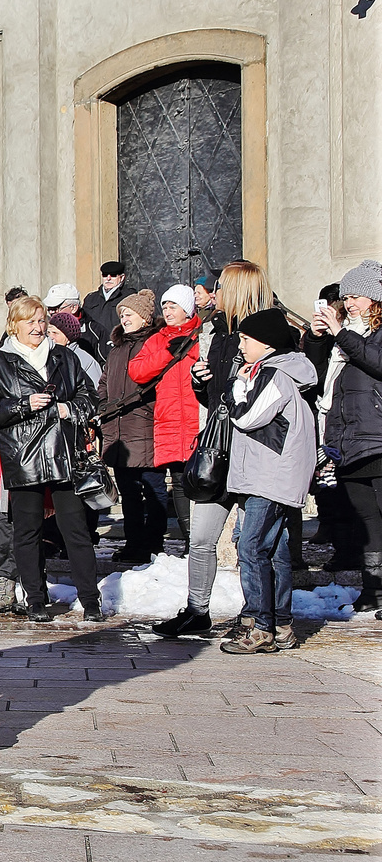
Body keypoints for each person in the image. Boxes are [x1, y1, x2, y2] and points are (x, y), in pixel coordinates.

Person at [153, 260, 274, 638]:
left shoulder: (265, 333)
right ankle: (197, 610)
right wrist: (199, 380)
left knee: (258, 543)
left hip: (254, 450)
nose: (212, 294)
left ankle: (263, 615)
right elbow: (216, 398)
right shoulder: (216, 332)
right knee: (201, 537)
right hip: (216, 449)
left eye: (220, 287)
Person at [0, 296, 102, 622]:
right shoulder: (0, 363)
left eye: (41, 321)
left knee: (76, 530)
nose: (38, 327)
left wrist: (69, 409)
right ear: (15, 325)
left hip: (63, 453)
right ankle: (36, 600)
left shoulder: (64, 357)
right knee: (27, 532)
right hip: (23, 456)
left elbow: (89, 397)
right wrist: (25, 405)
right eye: (31, 322)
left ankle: (91, 602)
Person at [218, 310, 318, 653]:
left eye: (246, 339)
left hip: (272, 476)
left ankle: (261, 629)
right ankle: (282, 625)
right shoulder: (270, 370)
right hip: (264, 474)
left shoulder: (275, 374)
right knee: (273, 551)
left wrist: (237, 386)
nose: (240, 345)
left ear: (267, 343)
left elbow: (247, 417)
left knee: (250, 547)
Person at [315, 260, 382, 611]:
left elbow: (377, 363)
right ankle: (373, 590)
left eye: (356, 297)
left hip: (378, 438)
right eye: (347, 297)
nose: (350, 304)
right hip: (349, 440)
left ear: (375, 298)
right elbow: (318, 377)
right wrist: (317, 337)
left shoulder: (365, 335)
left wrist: (342, 333)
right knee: (367, 520)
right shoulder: (347, 336)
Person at [126, 284, 202, 542]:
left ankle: (203, 539)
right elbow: (137, 371)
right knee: (179, 481)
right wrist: (167, 352)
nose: (168, 311)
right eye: (165, 306)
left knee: (201, 479)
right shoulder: (157, 339)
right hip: (169, 419)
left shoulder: (203, 334)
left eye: (174, 306)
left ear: (188, 309)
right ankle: (191, 540)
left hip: (197, 418)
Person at [97, 291, 167, 562]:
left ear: (144, 317)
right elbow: (103, 383)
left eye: (129, 314)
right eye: (122, 315)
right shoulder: (116, 351)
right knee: (128, 493)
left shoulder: (154, 344)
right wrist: (104, 405)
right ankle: (134, 542)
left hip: (146, 427)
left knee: (154, 488)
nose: (124, 318)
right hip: (118, 431)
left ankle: (154, 541)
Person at [82, 261, 133, 356]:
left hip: (118, 348)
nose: (108, 278)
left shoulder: (129, 297)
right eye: (105, 275)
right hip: (92, 349)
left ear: (121, 277)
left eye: (113, 275)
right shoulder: (91, 298)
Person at [48, 311, 102, 388]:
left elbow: (96, 390)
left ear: (68, 337)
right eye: (48, 333)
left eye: (55, 333)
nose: (51, 337)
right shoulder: (45, 355)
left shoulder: (85, 360)